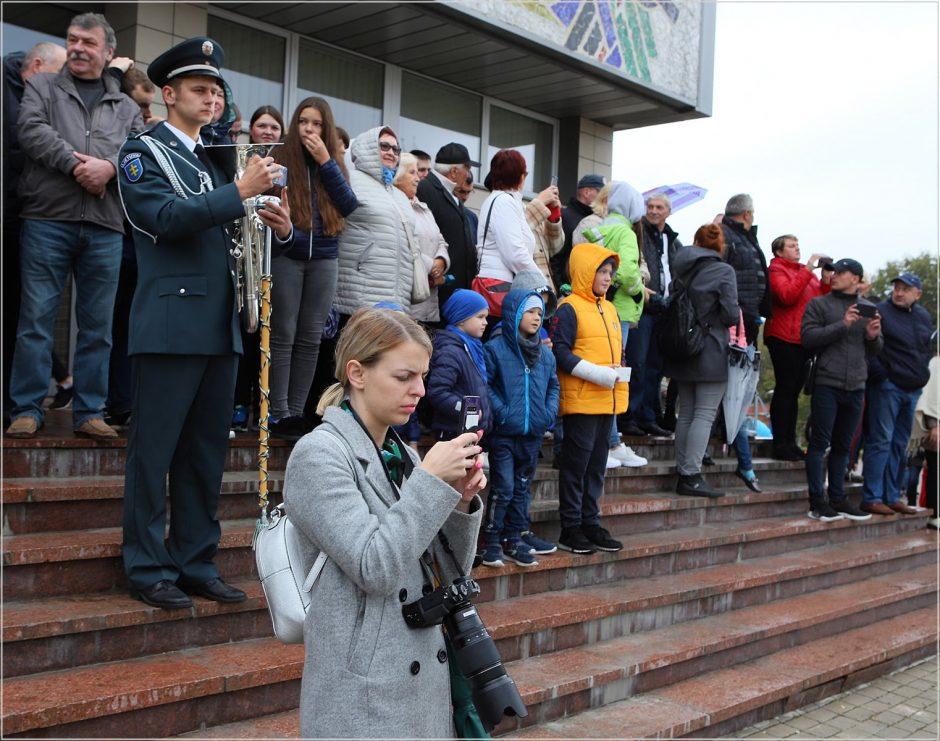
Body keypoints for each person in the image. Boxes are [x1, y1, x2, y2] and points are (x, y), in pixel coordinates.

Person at [117, 36, 289, 609]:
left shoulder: (215, 158)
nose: (211, 98)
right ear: (168, 95)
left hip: (219, 324)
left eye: (216, 90)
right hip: (169, 324)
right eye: (198, 89)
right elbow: (162, 219)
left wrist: (278, 227)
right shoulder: (143, 153)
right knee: (154, 454)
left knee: (204, 453)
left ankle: (195, 560)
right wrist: (239, 192)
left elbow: (235, 235)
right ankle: (145, 567)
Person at [283, 307, 485, 739]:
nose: (420, 390)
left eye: (423, 376)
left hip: (421, 680)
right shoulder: (318, 455)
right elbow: (375, 568)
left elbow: (446, 576)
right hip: (363, 692)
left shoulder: (403, 454)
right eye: (403, 377)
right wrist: (431, 483)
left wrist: (461, 504)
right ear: (357, 373)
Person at [5, 13, 144, 441]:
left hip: (104, 226)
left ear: (108, 53)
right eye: (73, 40)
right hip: (47, 218)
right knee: (35, 320)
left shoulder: (126, 107)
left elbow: (140, 156)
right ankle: (26, 408)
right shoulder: (42, 86)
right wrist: (75, 165)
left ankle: (90, 412)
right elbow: (29, 130)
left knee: (97, 328)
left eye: (88, 42)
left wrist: (109, 168)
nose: (79, 48)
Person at [268, 97, 358, 441]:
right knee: (283, 333)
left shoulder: (331, 162)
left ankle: (297, 411)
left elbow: (348, 205)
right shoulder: (280, 158)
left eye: (317, 124)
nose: (309, 129)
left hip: (324, 257)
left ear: (327, 129)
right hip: (287, 254)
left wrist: (325, 161)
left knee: (310, 338)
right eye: (304, 121)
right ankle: (279, 412)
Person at [2, 41, 67, 423]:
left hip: (23, 218)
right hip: (15, 214)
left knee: (21, 314)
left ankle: (19, 404)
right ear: (38, 65)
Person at [551, 242, 629, 555]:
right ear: (586, 272)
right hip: (582, 401)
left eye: (610, 272)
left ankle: (590, 522)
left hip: (607, 399)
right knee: (576, 466)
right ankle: (570, 527)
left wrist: (618, 370)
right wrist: (597, 373)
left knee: (596, 466)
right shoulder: (569, 306)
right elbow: (559, 352)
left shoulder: (609, 308)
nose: (608, 277)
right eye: (601, 271)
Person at [801, 258, 883, 523]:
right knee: (819, 444)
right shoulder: (819, 304)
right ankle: (817, 502)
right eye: (833, 271)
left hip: (856, 386)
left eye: (841, 272)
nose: (833, 275)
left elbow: (876, 349)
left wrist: (872, 336)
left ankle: (838, 498)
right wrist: (842, 325)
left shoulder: (868, 308)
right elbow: (808, 338)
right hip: (827, 382)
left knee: (843, 446)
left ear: (856, 279)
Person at [482, 288, 560, 567]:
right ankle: (491, 540)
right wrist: (502, 413)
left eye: (540, 313)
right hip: (504, 433)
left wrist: (547, 415)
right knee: (503, 486)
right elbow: (486, 385)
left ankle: (513, 539)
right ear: (514, 313)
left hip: (532, 434)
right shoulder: (495, 349)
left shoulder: (546, 355)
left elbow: (553, 386)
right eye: (530, 311)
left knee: (522, 487)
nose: (537, 318)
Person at [662, 225, 740, 499]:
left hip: (682, 345)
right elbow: (731, 315)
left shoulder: (680, 265)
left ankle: (684, 468)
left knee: (686, 412)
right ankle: (691, 475)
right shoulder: (723, 271)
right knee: (705, 413)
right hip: (710, 347)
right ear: (720, 247)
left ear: (695, 241)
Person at [581, 181, 652, 466]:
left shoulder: (599, 229)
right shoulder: (625, 232)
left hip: (600, 306)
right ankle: (610, 443)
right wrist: (638, 291)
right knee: (615, 375)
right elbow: (628, 270)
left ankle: (610, 440)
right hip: (620, 310)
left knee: (604, 372)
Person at [230, 103, 289, 434]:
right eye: (262, 125)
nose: (268, 132)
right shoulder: (239, 163)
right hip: (243, 263)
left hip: (276, 264)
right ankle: (238, 404)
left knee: (268, 340)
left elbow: (291, 223)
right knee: (244, 337)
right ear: (250, 130)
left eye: (274, 127)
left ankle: (262, 406)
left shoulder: (285, 169)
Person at [861, 272, 932, 515]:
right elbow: (869, 345)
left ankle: (892, 496)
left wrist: (923, 375)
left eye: (905, 288)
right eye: (897, 288)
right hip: (887, 386)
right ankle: (872, 496)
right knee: (881, 440)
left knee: (899, 444)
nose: (899, 292)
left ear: (917, 294)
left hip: (912, 388)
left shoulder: (923, 316)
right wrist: (882, 374)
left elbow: (925, 348)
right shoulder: (880, 310)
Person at [334, 126, 416, 316]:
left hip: (397, 300)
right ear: (368, 148)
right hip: (358, 297)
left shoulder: (400, 195)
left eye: (396, 149)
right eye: (384, 146)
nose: (391, 153)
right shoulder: (350, 180)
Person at [764, 235, 832, 460]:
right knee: (785, 389)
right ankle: (780, 442)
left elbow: (820, 301)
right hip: (783, 336)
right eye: (791, 246)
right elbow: (786, 296)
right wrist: (808, 270)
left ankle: (790, 441)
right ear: (779, 251)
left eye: (798, 245)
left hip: (803, 339)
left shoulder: (804, 273)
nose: (797, 249)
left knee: (793, 392)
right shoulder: (776, 270)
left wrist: (825, 281)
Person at [621, 191, 682, 438]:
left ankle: (648, 415)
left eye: (659, 207)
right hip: (643, 305)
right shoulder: (639, 231)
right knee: (638, 362)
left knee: (656, 366)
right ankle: (629, 416)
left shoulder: (672, 239)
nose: (654, 211)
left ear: (668, 211)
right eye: (650, 206)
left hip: (664, 309)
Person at [476, 149, 542, 328]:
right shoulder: (504, 202)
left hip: (501, 282)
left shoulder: (507, 201)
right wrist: (541, 282)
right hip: (499, 285)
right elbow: (514, 252)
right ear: (521, 176)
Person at [416, 142, 479, 307]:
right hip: (437, 292)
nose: (468, 174)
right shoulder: (425, 188)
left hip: (454, 293)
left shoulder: (451, 194)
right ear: (454, 171)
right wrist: (435, 266)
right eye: (467, 168)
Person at [425, 290, 492, 441]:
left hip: (470, 433)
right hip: (452, 434)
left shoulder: (473, 348)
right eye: (480, 317)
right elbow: (437, 392)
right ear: (461, 319)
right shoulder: (450, 351)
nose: (485, 322)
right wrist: (469, 410)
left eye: (486, 317)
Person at [394, 152, 449, 325]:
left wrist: (441, 261)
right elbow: (404, 244)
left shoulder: (423, 208)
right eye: (412, 173)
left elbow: (441, 240)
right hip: (408, 303)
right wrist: (432, 267)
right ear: (397, 175)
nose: (418, 178)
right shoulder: (394, 206)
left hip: (429, 302)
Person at [554, 174, 604, 287]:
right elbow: (556, 257)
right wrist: (561, 289)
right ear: (586, 192)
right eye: (601, 193)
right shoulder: (565, 216)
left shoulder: (598, 220)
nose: (605, 198)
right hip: (568, 291)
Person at [912, 331, 939, 528]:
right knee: (936, 472)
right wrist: (935, 426)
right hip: (936, 427)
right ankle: (935, 514)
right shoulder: (935, 364)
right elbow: (931, 400)